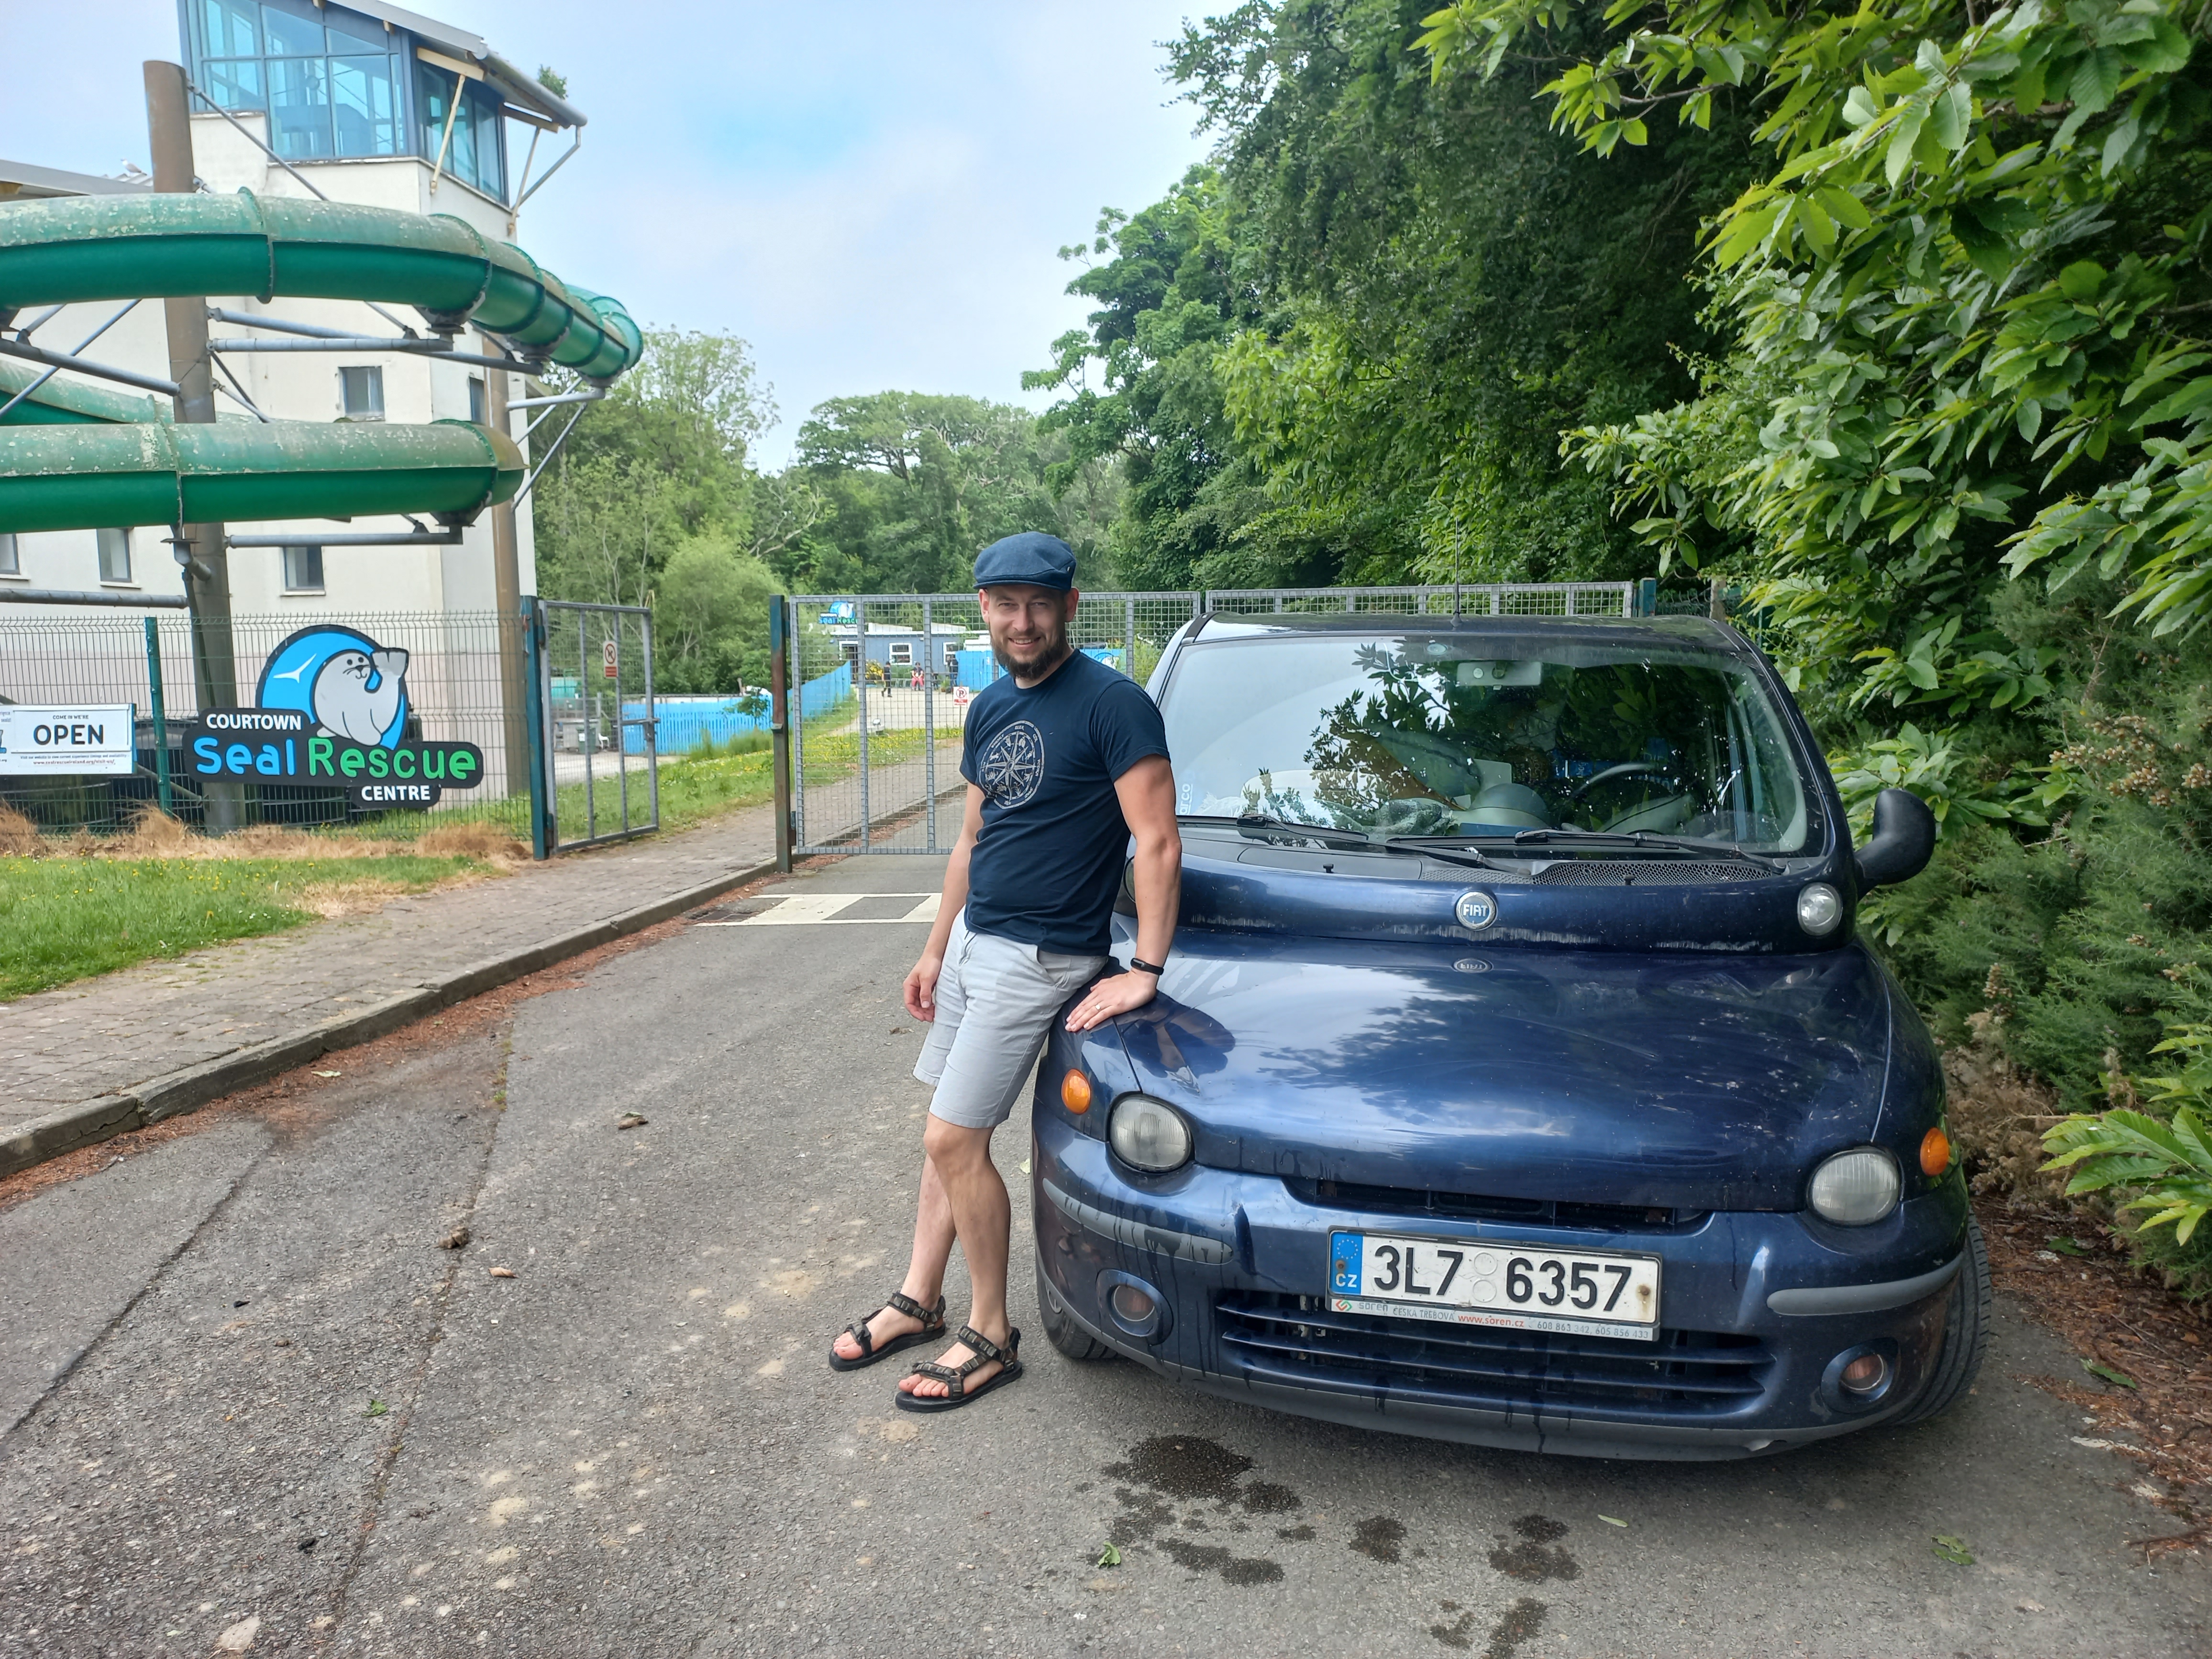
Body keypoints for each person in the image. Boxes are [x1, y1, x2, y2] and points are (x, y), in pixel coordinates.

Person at [827, 531, 1181, 1412]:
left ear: (1068, 606)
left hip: (1042, 957)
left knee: (955, 1139)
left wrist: (1144, 967)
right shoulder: (989, 707)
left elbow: (1158, 840)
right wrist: (935, 947)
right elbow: (973, 839)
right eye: (1005, 605)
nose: (1022, 622)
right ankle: (920, 1296)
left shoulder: (1114, 704)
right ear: (982, 608)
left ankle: (991, 1331)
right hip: (979, 945)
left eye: (1040, 604)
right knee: (947, 1130)